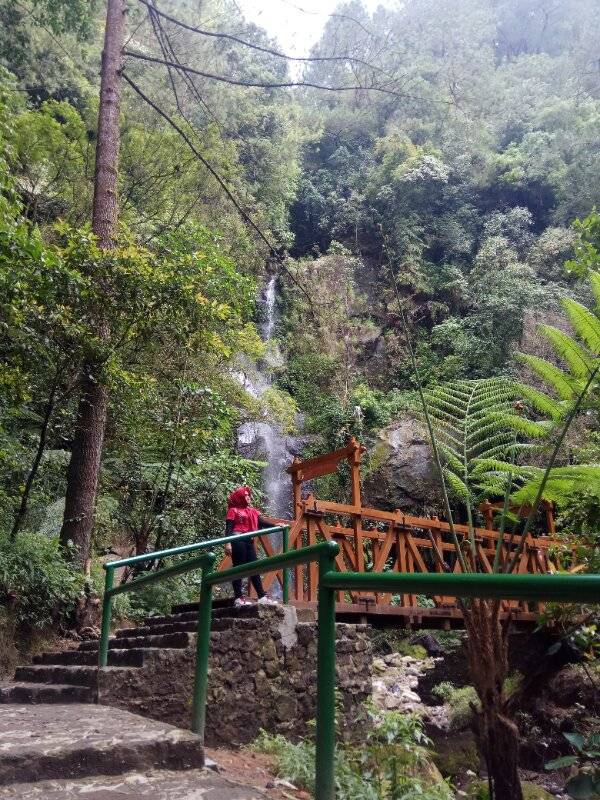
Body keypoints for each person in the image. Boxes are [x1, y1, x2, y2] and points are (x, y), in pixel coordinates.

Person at [224, 486, 277, 607]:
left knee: (254, 567)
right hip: (237, 540)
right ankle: (238, 597)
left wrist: (276, 526)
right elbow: (228, 528)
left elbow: (262, 522)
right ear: (239, 498)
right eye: (245, 496)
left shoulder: (252, 511)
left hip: (249, 540)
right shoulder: (233, 510)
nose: (248, 498)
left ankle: (262, 596)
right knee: (239, 567)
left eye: (248, 495)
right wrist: (227, 543)